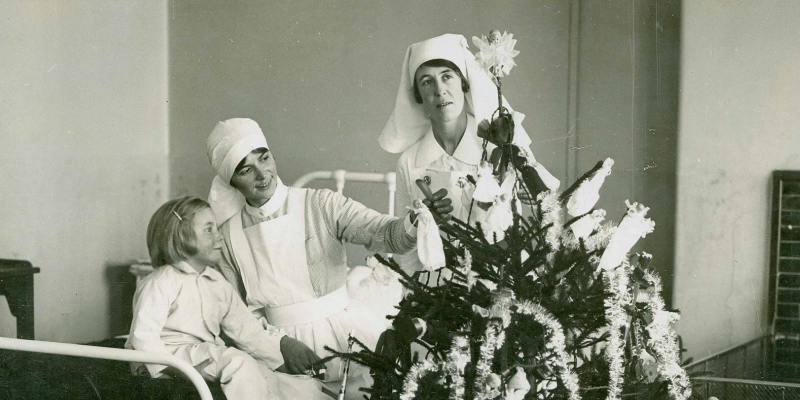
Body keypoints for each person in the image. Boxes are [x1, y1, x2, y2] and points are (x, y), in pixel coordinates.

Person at [205, 117, 453, 399]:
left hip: (348, 336)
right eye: (246, 170)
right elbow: (236, 313)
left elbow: (385, 233)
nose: (263, 175)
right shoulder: (227, 236)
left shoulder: (319, 203)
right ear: (231, 181)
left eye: (265, 159)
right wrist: (280, 345)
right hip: (278, 351)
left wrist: (416, 220)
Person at [378, 33, 561, 278]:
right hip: (440, 293)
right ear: (418, 96)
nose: (440, 91)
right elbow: (407, 249)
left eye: (447, 77)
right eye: (426, 82)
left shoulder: (498, 147)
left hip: (499, 282)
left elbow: (515, 229)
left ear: (464, 84)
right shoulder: (410, 162)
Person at [126, 196, 328, 400]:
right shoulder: (161, 281)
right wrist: (175, 369)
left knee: (296, 386)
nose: (219, 236)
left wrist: (279, 365)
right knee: (238, 362)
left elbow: (246, 330)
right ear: (181, 237)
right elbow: (143, 336)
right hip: (171, 355)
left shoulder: (216, 281)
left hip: (207, 352)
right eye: (208, 229)